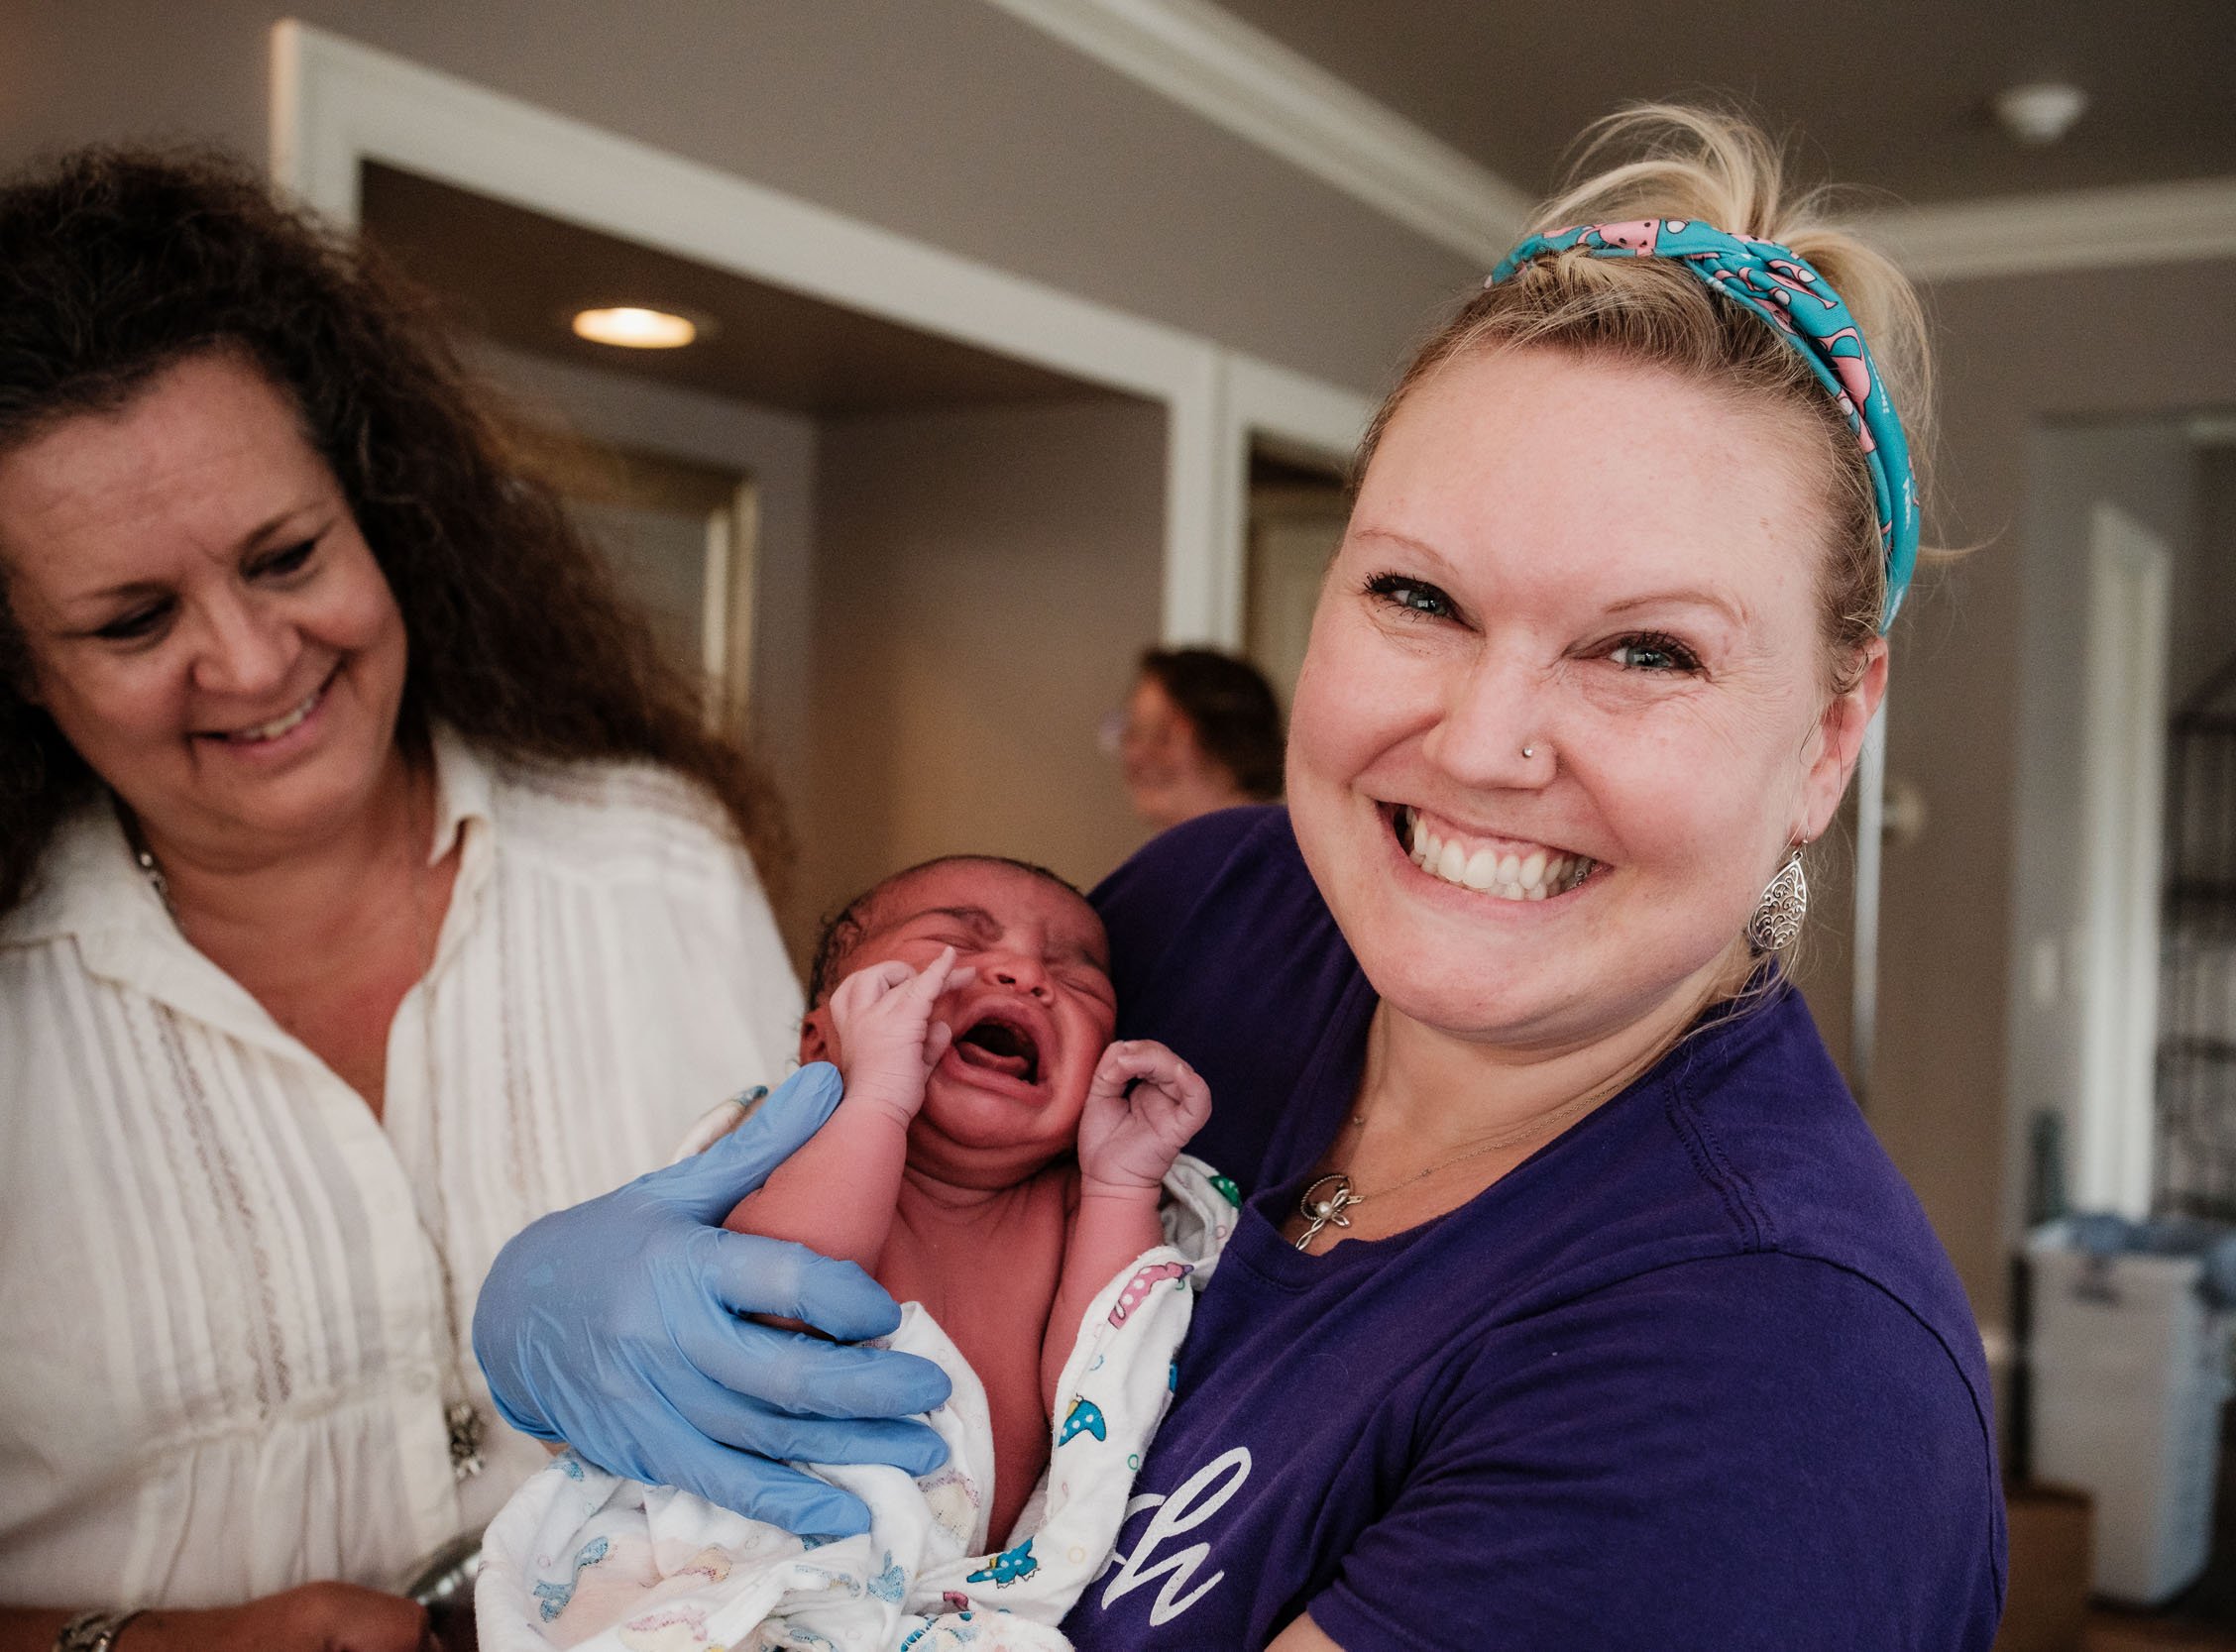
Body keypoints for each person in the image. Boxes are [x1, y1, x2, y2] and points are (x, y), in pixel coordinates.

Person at [476, 105, 2004, 1649]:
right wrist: (557, 1300)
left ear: (1830, 732)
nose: (1482, 742)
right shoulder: (1207, 911)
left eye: (1647, 649)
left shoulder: (1775, 1384)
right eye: (1420, 593)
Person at [0, 150, 948, 1652]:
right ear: (18, 670)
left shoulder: (658, 852)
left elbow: (860, 1280)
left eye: (287, 555)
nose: (250, 662)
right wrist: (136, 1640)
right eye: (131, 619)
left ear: (385, 512)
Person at [477, 856, 1223, 1651]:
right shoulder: (789, 1144)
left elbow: (1102, 1384)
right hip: (713, 1584)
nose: (1027, 972)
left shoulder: (1072, 1201)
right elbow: (773, 1298)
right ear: (819, 1037)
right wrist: (874, 1097)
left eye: (1081, 978)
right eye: (955, 938)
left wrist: (1119, 1185)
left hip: (935, 1613)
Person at [1114, 647, 1284, 831]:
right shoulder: (1169, 857)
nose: (1138, 755)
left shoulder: (1281, 853)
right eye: (1132, 733)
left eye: (1163, 735)